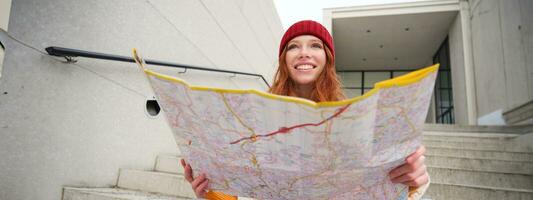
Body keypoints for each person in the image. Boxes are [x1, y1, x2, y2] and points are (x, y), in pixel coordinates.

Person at [180, 20, 429, 200]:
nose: (304, 54)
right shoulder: (254, 122)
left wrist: (413, 184)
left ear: (328, 59)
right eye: (293, 46)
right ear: (284, 61)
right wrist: (209, 191)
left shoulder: (354, 121)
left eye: (315, 45)